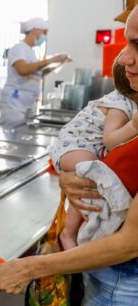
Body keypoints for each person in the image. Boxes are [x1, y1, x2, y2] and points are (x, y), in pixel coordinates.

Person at [0, 4, 138, 306]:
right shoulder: (124, 104)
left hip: (124, 278)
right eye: (127, 44)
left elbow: (130, 241)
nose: (125, 57)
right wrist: (74, 179)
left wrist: (29, 268)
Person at [50, 59, 138, 250]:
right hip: (76, 144)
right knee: (88, 182)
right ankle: (69, 233)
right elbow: (111, 140)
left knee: (90, 182)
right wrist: (133, 126)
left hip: (87, 147)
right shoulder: (121, 105)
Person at [0, 17, 71, 128]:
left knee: (23, 133)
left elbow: (37, 74)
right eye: (44, 32)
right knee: (12, 134)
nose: (45, 36)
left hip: (27, 102)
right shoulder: (18, 48)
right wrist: (51, 59)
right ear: (34, 29)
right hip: (15, 102)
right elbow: (22, 70)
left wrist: (58, 62)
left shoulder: (30, 52)